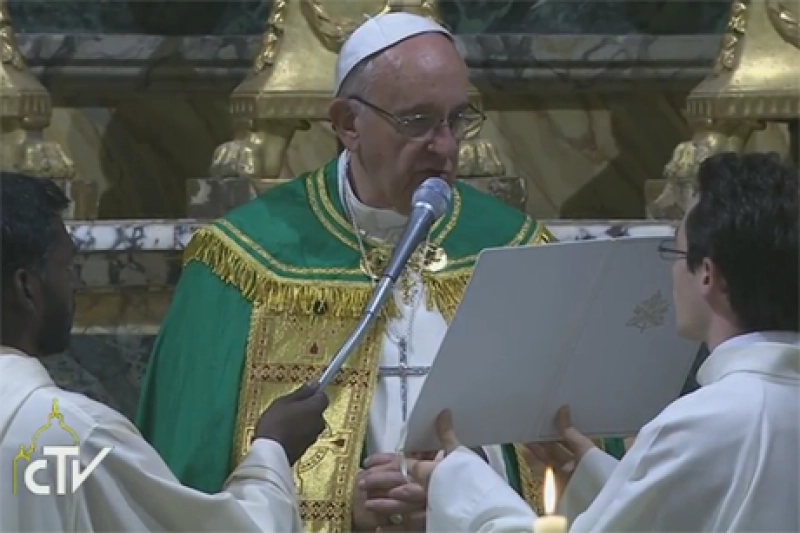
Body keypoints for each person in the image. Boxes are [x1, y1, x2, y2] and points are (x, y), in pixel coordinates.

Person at [136, 11, 627, 532]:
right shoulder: (245, 264)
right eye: (417, 122)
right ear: (349, 123)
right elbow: (188, 479)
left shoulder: (515, 251)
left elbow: (574, 454)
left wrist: (462, 490)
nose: (445, 146)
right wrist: (346, 506)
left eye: (458, 119)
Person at [407, 152, 800, 532]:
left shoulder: (702, 422)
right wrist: (601, 481)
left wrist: (460, 485)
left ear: (708, 276)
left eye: (675, 252)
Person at [0, 173, 329, 532]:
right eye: (65, 268)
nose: (72, 286)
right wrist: (272, 450)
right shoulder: (69, 437)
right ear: (27, 288)